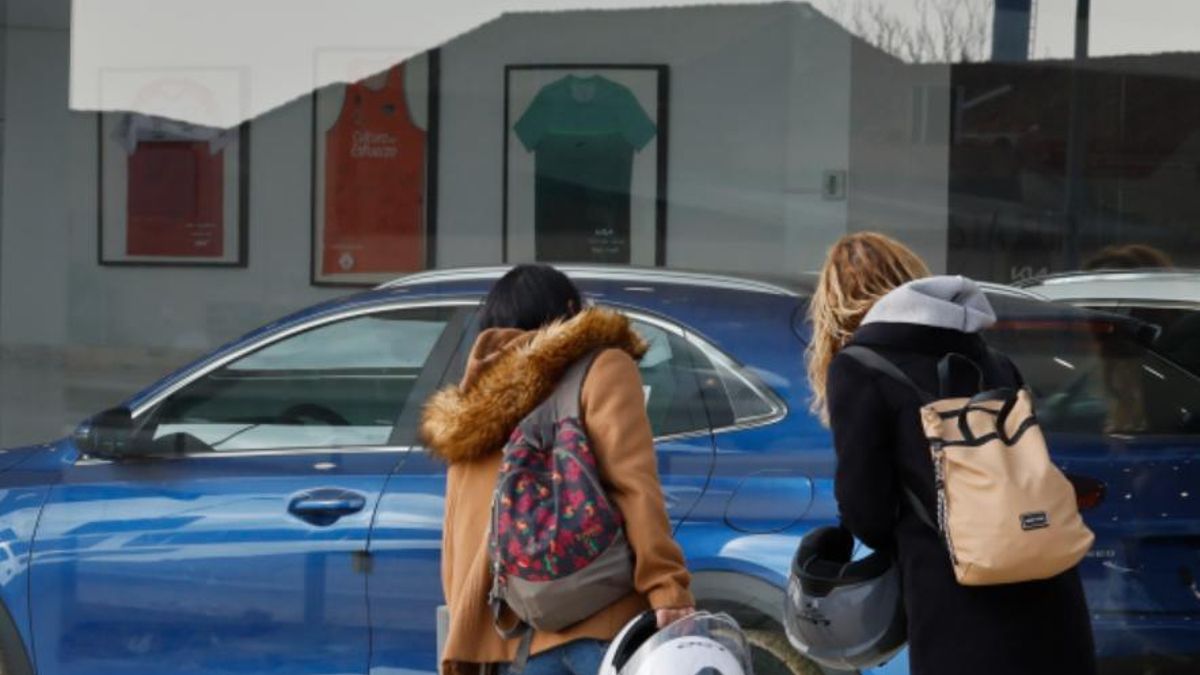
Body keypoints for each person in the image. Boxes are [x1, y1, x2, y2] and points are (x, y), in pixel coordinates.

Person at [806, 232, 1097, 675]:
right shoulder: (991, 358)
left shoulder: (860, 367)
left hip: (958, 602)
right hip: (1048, 586)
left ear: (836, 303)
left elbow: (866, 508)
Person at [423, 264, 695, 675]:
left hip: (511, 640)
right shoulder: (603, 367)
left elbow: (457, 539)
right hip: (600, 629)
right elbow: (634, 486)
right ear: (572, 310)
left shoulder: (470, 404)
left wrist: (470, 641)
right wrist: (668, 590)